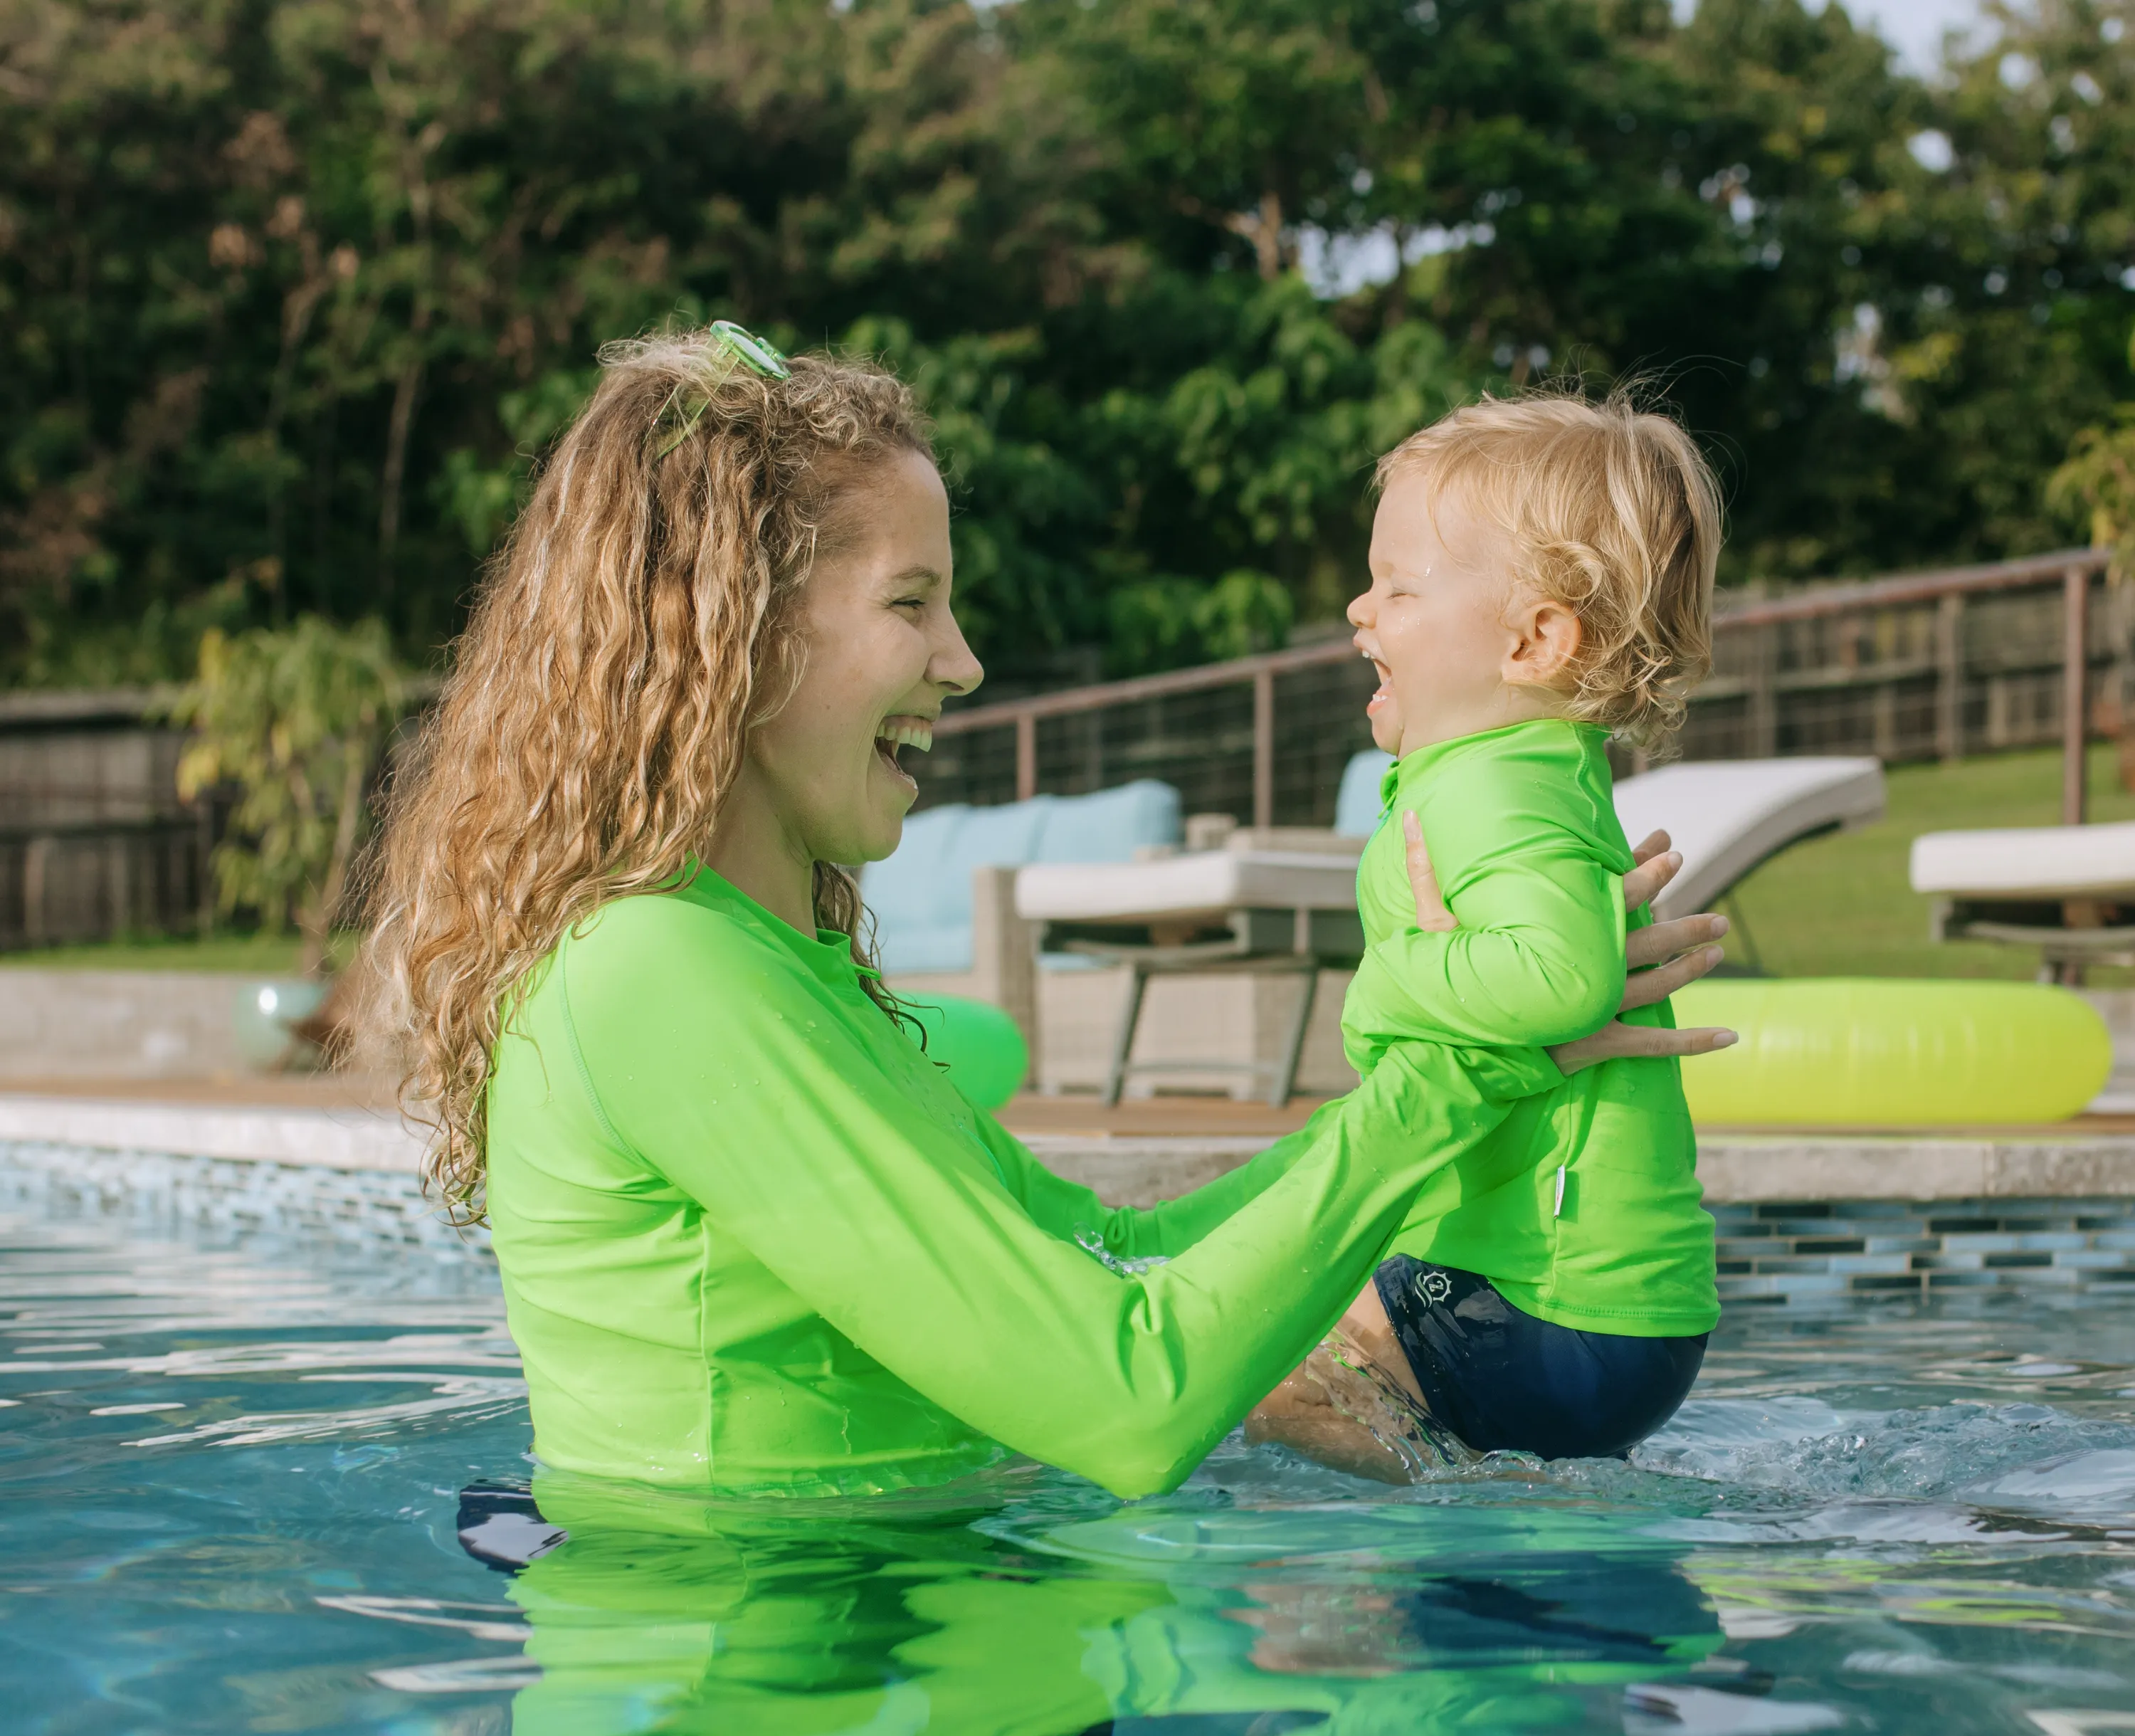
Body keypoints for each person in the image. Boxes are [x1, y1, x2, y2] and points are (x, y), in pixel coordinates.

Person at [372, 326, 1731, 1503]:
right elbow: (1130, 1408)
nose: (963, 664)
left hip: (875, 1666)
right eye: (913, 604)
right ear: (730, 634)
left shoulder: (771, 965)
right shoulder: (655, 972)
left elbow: (1113, 1255)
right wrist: (1458, 1069)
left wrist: (1488, 1072)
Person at [1249, 393, 1726, 1482]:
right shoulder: (1503, 770)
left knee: (1286, 1389)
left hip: (1559, 1303)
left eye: (1398, 588)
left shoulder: (1503, 787)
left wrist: (1387, 983)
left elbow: (1560, 978)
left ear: (1533, 639)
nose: (1360, 612)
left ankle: (1466, 1535)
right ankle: (1484, 1544)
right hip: (1583, 1300)